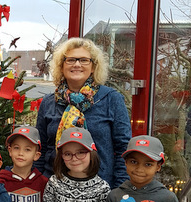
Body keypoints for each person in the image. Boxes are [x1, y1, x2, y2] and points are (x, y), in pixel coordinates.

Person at [34, 37, 131, 189]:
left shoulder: (111, 99)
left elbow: (123, 149)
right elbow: (40, 149)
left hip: (100, 190)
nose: (77, 64)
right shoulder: (48, 102)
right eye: (71, 60)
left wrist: (118, 190)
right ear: (61, 66)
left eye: (84, 60)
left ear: (93, 67)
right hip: (54, 188)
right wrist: (38, 185)